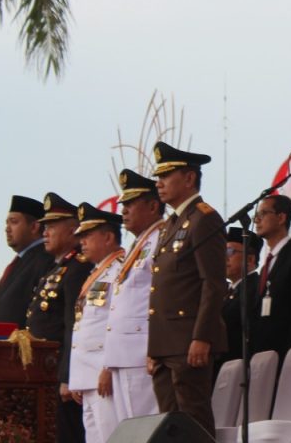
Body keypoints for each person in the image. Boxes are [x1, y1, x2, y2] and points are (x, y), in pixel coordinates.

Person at [147, 142, 226, 436]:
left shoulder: (203, 218)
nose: (159, 183)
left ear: (189, 178)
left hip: (188, 340)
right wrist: (154, 345)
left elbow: (213, 283)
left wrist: (202, 336)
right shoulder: (170, 224)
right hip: (165, 343)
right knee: (169, 426)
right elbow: (163, 287)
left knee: (193, 422)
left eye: (166, 176)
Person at [26, 192, 94, 443]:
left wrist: (68, 375)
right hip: (46, 371)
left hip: (60, 370)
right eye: (44, 226)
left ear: (73, 229)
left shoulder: (78, 267)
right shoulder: (58, 267)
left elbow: (73, 325)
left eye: (52, 226)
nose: (45, 232)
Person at [103, 170, 163, 423]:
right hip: (123, 352)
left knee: (144, 426)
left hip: (141, 349)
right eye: (123, 205)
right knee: (127, 431)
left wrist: (157, 347)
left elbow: (160, 295)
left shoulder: (161, 238)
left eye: (130, 204)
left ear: (152, 205)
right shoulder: (138, 245)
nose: (124, 211)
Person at [67, 203, 127, 443]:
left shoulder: (120, 270)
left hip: (103, 372)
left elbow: (117, 321)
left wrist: (109, 366)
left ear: (109, 236)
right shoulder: (97, 273)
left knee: (111, 436)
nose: (82, 241)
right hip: (87, 374)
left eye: (88, 235)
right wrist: (77, 376)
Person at [0, 195, 56, 326]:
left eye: (14, 222)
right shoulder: (21, 260)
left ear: (34, 227)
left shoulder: (44, 259)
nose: (7, 228)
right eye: (7, 223)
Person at [250, 194, 291, 358]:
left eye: (263, 214)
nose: (256, 221)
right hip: (261, 352)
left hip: (284, 352)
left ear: (281, 218)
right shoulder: (267, 263)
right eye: (256, 216)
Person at [220, 226, 261, 372]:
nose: (224, 257)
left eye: (230, 252)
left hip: (239, 367)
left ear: (250, 259)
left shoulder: (255, 288)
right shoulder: (229, 290)